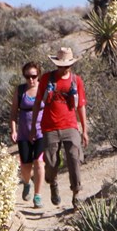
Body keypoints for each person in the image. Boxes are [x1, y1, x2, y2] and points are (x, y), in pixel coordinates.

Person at [30, 46, 89, 210]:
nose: (63, 69)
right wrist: (34, 127)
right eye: (60, 66)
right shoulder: (47, 79)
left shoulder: (76, 81)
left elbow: (81, 106)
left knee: (74, 158)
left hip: (70, 126)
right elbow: (37, 103)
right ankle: (53, 182)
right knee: (51, 162)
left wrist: (84, 129)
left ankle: (76, 193)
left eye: (66, 66)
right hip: (49, 127)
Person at [10, 61, 45, 208]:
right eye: (27, 76)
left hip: (41, 132)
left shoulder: (43, 90)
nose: (31, 79)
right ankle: (26, 182)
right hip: (24, 133)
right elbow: (13, 113)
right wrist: (13, 130)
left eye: (34, 76)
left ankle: (38, 195)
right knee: (25, 164)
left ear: (39, 75)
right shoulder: (20, 91)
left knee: (38, 161)